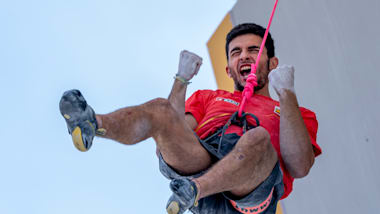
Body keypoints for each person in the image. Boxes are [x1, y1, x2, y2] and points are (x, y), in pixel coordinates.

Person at [59, 23, 321, 214]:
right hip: (200, 166)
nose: (244, 56)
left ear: (272, 62)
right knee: (161, 109)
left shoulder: (297, 114)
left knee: (258, 139)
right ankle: (93, 124)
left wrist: (287, 94)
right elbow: (172, 133)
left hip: (249, 196)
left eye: (254, 50)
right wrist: (181, 80)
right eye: (235, 52)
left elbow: (300, 166)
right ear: (229, 69)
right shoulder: (210, 98)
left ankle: (194, 190)